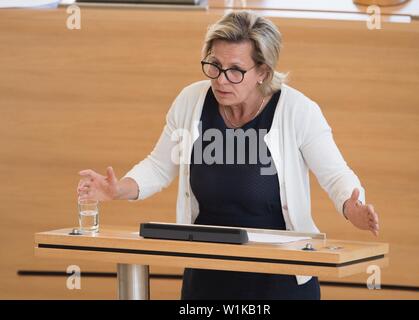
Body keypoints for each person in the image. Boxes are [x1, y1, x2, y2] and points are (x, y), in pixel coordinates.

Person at [77, 11, 379, 300]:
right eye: (214, 66)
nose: (221, 80)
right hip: (208, 273)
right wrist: (118, 189)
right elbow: (158, 167)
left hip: (280, 277)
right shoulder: (190, 101)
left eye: (235, 70)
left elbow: (336, 175)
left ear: (263, 71)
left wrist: (352, 205)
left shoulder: (298, 111)